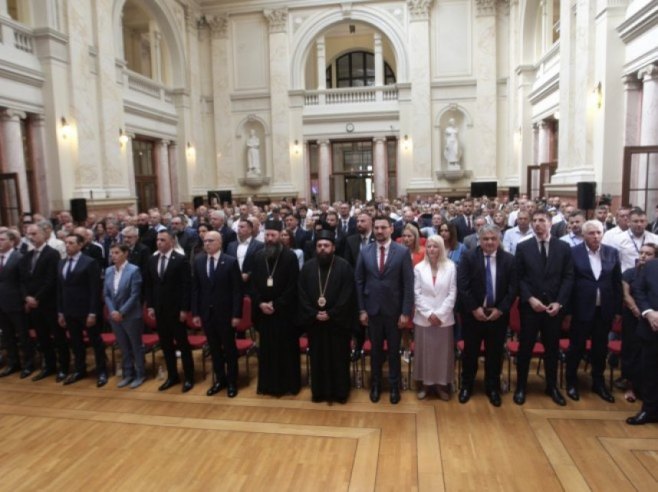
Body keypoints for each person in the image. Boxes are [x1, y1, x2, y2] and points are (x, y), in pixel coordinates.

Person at [514, 209, 573, 406]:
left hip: (553, 308)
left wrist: (560, 302)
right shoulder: (523, 247)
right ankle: (521, 386)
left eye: (542, 220)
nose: (537, 224)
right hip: (531, 308)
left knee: (552, 349)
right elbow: (519, 278)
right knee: (525, 348)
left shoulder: (563, 247)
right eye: (535, 221)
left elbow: (568, 277)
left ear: (550, 223)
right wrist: (530, 298)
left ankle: (552, 386)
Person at [355, 216, 414, 404]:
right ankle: (376, 385)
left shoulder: (403, 252)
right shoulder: (365, 251)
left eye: (383, 228)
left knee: (394, 351)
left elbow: (408, 284)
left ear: (391, 229)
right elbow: (359, 281)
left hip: (395, 312)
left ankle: (394, 385)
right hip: (372, 311)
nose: (379, 231)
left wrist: (406, 312)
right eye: (377, 227)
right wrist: (361, 310)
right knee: (376, 352)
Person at [457, 225, 517, 406]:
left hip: (497, 315)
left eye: (493, 239)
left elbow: (513, 289)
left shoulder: (509, 260)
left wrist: (501, 309)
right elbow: (463, 286)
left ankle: (493, 387)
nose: (489, 242)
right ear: (479, 240)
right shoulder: (468, 257)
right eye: (485, 239)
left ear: (499, 240)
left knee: (494, 353)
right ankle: (467, 385)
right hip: (473, 315)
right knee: (470, 352)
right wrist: (474, 308)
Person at [565, 220, 621, 403]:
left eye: (598, 232)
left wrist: (617, 310)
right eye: (591, 233)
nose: (596, 236)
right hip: (580, 308)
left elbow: (616, 283)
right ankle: (571, 382)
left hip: (604, 309)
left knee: (600, 348)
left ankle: (598, 382)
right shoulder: (573, 253)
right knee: (576, 347)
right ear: (583, 235)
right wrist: (567, 311)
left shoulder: (612, 253)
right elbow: (568, 283)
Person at [298, 231, 356, 403]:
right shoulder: (308, 267)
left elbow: (348, 294)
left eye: (326, 246)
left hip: (338, 324)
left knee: (338, 358)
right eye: (319, 246)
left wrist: (331, 313)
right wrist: (313, 313)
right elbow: (301, 293)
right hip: (315, 323)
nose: (322, 249)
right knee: (318, 358)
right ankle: (319, 392)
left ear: (333, 248)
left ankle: (340, 393)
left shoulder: (344, 266)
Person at [250, 219, 301, 396]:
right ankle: (268, 385)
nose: (270, 238)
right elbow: (253, 285)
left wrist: (276, 304)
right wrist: (260, 303)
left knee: (285, 350)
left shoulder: (290, 257)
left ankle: (288, 385)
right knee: (267, 351)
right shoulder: (257, 257)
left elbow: (293, 285)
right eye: (267, 235)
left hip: (284, 313)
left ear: (280, 236)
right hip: (264, 313)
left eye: (273, 235)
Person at [191, 231, 243, 398]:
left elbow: (237, 291)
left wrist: (236, 314)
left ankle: (233, 382)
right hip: (207, 313)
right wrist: (196, 313)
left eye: (210, 241)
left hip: (226, 313)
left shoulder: (230, 262)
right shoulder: (198, 261)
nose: (206, 244)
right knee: (214, 349)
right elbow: (196, 289)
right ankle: (220, 380)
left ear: (220, 243)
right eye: (205, 241)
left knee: (229, 348)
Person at [145, 230, 195, 393]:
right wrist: (151, 306)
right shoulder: (152, 260)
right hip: (160, 309)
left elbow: (186, 286)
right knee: (166, 345)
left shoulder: (180, 260)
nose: (159, 242)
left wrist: (184, 309)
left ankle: (189, 377)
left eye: (163, 240)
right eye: (158, 240)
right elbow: (150, 285)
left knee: (183, 344)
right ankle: (172, 375)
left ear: (172, 242)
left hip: (176, 309)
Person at [20, 223, 69, 382]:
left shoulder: (52, 253)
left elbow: (51, 280)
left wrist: (37, 298)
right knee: (42, 337)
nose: (31, 237)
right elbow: (22, 280)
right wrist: (27, 297)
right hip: (33, 305)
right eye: (29, 234)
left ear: (43, 234)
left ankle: (64, 367)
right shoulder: (27, 256)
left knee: (58, 336)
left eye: (34, 234)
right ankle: (49, 366)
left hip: (48, 303)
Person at [57, 233, 107, 386]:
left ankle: (102, 371)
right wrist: (61, 311)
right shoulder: (61, 263)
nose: (67, 246)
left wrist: (93, 312)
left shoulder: (89, 262)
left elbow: (94, 289)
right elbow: (60, 289)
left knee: (95, 341)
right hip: (69, 309)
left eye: (71, 243)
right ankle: (80, 369)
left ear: (80, 245)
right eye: (66, 243)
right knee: (76, 342)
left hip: (86, 309)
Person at [413, 235, 457, 401]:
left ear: (441, 248)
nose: (432, 249)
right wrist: (429, 314)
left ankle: (440, 385)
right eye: (429, 246)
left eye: (435, 246)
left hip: (444, 320)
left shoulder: (451, 266)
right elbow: (416, 293)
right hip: (424, 319)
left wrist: (439, 314)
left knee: (441, 354)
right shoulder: (419, 268)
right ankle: (425, 384)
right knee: (425, 353)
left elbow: (452, 293)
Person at [104, 244, 145, 389]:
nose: (113, 255)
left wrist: (121, 311)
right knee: (123, 346)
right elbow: (107, 294)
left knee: (135, 346)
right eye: (111, 253)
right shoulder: (108, 271)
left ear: (125, 254)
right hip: (114, 315)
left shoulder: (134, 270)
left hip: (130, 315)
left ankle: (140, 374)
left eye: (116, 252)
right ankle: (128, 373)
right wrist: (113, 311)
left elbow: (135, 295)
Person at [620, 243, 657, 402]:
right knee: (631, 350)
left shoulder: (654, 273)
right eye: (641, 252)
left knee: (647, 355)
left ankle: (645, 389)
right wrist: (636, 309)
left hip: (651, 319)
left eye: (648, 254)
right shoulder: (630, 273)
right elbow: (626, 294)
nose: (643, 256)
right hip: (632, 316)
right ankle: (630, 386)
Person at [626, 257, 658, 425]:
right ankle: (648, 410)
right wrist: (648, 312)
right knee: (649, 372)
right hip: (651, 329)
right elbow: (638, 289)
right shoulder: (651, 266)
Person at [0, 230, 30, 377]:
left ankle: (28, 363)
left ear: (11, 242)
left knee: (23, 335)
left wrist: (25, 299)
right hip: (1, 303)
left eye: (2, 239)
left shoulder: (19, 257)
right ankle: (13, 363)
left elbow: (24, 281)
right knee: (8, 335)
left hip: (16, 302)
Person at [226, 218, 264, 285]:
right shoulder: (231, 245)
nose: (238, 229)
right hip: (233, 282)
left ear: (250, 230)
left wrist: (249, 274)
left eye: (242, 227)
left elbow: (260, 264)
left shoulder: (259, 245)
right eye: (238, 227)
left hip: (252, 282)